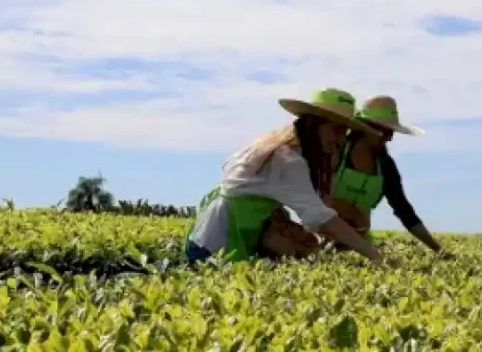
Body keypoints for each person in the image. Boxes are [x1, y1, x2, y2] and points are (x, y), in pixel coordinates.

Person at [184, 88, 386, 265]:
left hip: (207, 236)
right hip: (217, 244)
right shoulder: (288, 161)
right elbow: (322, 217)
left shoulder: (275, 146)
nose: (341, 139)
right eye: (337, 129)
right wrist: (374, 255)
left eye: (345, 131)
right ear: (315, 124)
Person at [324, 95, 444, 253]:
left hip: (358, 239)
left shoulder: (386, 167)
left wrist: (437, 249)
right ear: (364, 126)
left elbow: (404, 211)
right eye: (384, 131)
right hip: (321, 228)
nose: (388, 139)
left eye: (390, 133)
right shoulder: (336, 152)